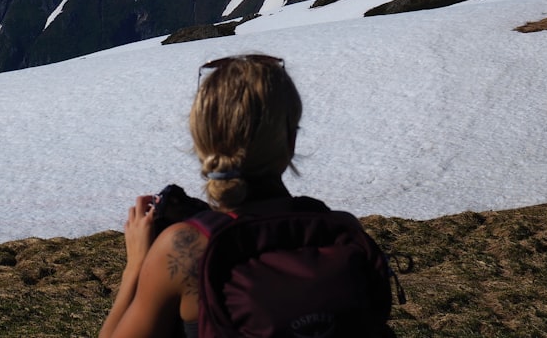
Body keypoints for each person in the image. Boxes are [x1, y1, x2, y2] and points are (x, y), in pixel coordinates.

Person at [100, 53, 386, 338]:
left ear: (201, 142)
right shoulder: (341, 230)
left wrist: (136, 265)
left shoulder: (184, 249)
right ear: (289, 141)